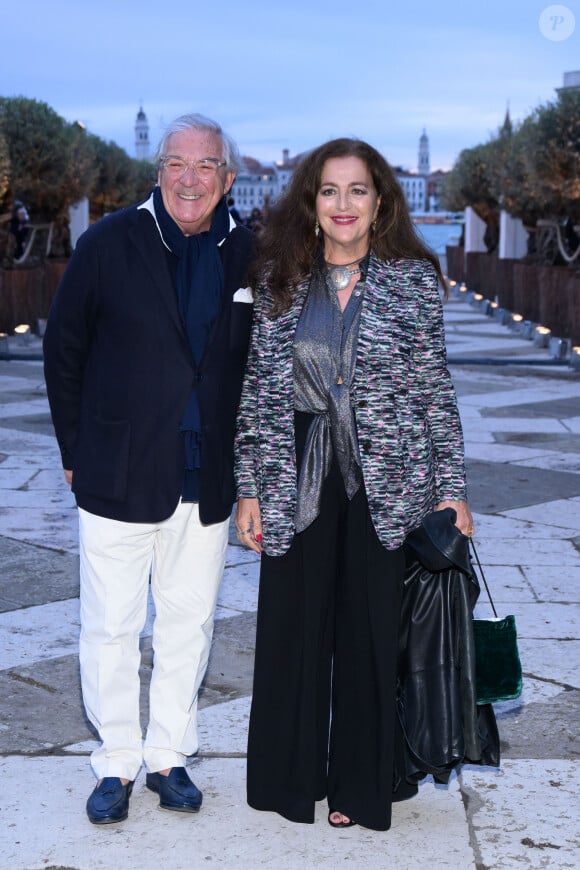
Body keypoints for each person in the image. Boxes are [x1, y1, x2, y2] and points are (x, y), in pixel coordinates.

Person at [234, 138, 474, 832]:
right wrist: (249, 485)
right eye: (329, 191)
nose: (344, 204)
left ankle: (359, 788)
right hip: (296, 468)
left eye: (358, 190)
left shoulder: (412, 281)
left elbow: (434, 389)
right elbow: (257, 391)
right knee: (294, 631)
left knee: (371, 635)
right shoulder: (280, 277)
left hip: (387, 476)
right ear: (311, 203)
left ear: (380, 203)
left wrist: (451, 488)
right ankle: (290, 778)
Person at [43, 113, 255, 825]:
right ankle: (115, 763)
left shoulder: (249, 251)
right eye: (177, 163)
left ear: (227, 179)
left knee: (189, 625)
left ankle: (169, 756)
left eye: (206, 166)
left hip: (207, 477)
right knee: (110, 626)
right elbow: (63, 351)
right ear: (158, 171)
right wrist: (76, 453)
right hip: (117, 469)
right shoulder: (107, 244)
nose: (190, 178)